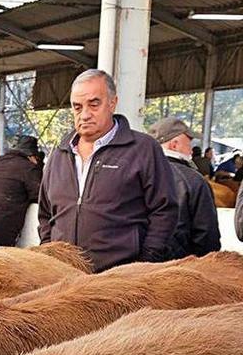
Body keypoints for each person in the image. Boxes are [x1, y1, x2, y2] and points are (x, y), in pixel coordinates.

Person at [38, 69, 178, 272]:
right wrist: (51, 254)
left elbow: (165, 210)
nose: (84, 115)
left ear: (112, 103)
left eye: (94, 104)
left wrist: (144, 262)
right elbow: (45, 213)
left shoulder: (142, 149)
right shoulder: (59, 154)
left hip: (119, 280)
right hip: (64, 279)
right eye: (77, 107)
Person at [149, 117, 220, 258]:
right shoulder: (194, 180)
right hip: (178, 271)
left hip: (131, 270)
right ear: (174, 145)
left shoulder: (130, 173)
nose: (192, 150)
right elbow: (206, 237)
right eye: (189, 144)